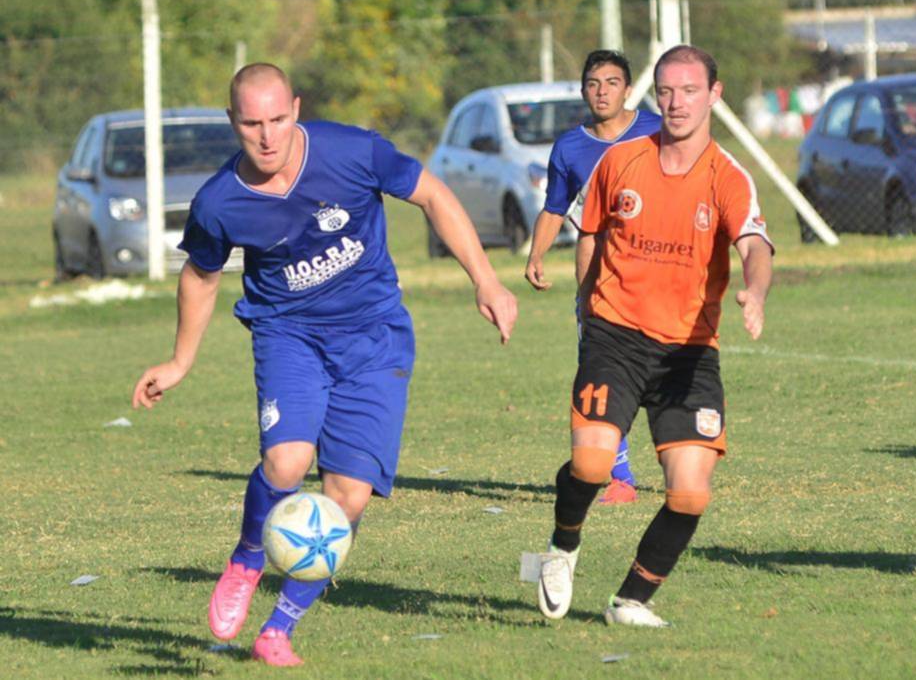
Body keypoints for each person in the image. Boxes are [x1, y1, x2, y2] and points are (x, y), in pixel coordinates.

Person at [131, 63, 517, 665]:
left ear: (296, 108)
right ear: (232, 121)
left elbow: (433, 195)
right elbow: (201, 276)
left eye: (277, 119)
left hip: (375, 340)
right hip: (290, 337)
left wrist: (486, 280)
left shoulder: (352, 151)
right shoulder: (219, 201)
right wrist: (181, 361)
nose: (267, 136)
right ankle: (246, 560)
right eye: (252, 124)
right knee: (286, 462)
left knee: (348, 498)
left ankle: (279, 629)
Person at [536, 45, 773, 626]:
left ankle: (631, 600)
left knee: (690, 493)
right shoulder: (620, 161)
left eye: (689, 91)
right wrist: (587, 308)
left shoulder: (727, 176)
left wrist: (755, 290)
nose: (676, 103)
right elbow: (590, 233)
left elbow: (754, 245)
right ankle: (563, 546)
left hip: (689, 352)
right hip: (615, 336)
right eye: (666, 91)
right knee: (592, 466)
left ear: (714, 95)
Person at [524, 50, 661, 505]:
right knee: (601, 373)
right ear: (583, 90)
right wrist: (536, 254)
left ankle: (683, 456)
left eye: (611, 82)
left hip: (657, 273)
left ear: (628, 89)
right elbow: (555, 208)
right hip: (598, 277)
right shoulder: (570, 147)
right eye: (593, 84)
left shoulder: (657, 131)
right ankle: (620, 477)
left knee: (664, 370)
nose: (602, 92)